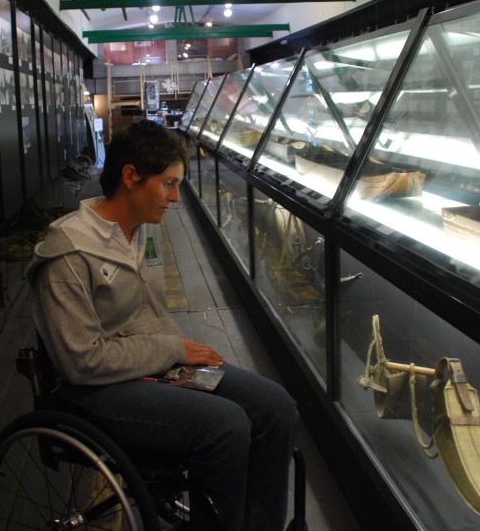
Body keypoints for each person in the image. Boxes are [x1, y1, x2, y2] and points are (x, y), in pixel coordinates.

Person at [29, 120, 301, 531]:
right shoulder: (68, 253)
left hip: (152, 368)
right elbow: (80, 362)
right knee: (226, 426)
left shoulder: (138, 234)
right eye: (168, 184)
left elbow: (148, 312)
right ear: (131, 177)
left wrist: (179, 358)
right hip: (94, 390)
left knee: (276, 406)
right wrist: (174, 351)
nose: (176, 197)